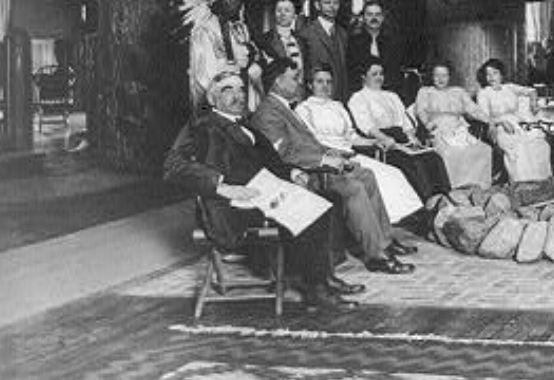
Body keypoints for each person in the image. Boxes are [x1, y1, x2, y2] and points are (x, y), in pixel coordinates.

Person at [163, 69, 360, 309]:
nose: (238, 95)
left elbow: (273, 164)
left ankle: (323, 276)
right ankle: (315, 290)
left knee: (330, 199)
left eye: (241, 89)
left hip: (265, 194)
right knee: (311, 211)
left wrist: (292, 172)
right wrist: (222, 187)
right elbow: (173, 165)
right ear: (213, 99)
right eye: (228, 90)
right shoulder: (202, 126)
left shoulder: (249, 127)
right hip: (232, 206)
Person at [250, 64, 415, 274]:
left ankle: (384, 241)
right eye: (293, 78)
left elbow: (310, 144)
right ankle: (376, 255)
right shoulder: (268, 113)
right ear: (278, 81)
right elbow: (281, 156)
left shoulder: (283, 107)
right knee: (353, 187)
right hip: (304, 174)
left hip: (317, 164)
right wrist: (325, 161)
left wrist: (339, 155)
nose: (298, 83)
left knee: (366, 174)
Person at [349, 60, 450, 202]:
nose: (379, 77)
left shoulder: (392, 96)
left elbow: (404, 121)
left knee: (433, 157)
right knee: (414, 163)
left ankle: (444, 199)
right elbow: (367, 126)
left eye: (381, 74)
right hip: (383, 141)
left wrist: (411, 136)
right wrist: (384, 138)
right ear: (363, 77)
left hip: (401, 137)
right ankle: (426, 202)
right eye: (374, 74)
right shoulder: (358, 98)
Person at [180, 0, 264, 112]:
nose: (237, 3)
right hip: (217, 99)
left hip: (241, 93)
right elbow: (204, 75)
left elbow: (252, 57)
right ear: (216, 0)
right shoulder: (204, 32)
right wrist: (236, 68)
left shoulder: (238, 30)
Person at [412, 63, 493, 190]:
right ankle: (455, 189)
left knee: (484, 149)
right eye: (437, 75)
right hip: (438, 130)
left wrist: (490, 121)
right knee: (450, 153)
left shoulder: (458, 91)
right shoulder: (425, 92)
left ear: (449, 77)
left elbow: (473, 109)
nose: (440, 79)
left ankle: (479, 187)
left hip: (459, 129)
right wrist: (427, 124)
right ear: (432, 77)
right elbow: (421, 111)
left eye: (444, 75)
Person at [475, 58, 554, 182]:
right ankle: (522, 182)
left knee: (538, 143)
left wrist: (533, 103)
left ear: (501, 74)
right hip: (498, 127)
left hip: (519, 125)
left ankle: (539, 181)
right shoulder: (484, 93)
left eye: (495, 73)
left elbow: (531, 91)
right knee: (517, 147)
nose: (491, 77)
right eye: (488, 74)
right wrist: (501, 122)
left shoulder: (509, 87)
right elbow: (484, 117)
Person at [346, 0, 407, 102]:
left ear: (382, 18)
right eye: (369, 14)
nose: (374, 18)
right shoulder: (353, 42)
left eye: (377, 14)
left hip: (389, 94)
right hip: (362, 96)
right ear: (364, 17)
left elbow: (397, 71)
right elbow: (352, 71)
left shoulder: (394, 42)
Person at [299, 0, 349, 103]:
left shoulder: (343, 34)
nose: (332, 7)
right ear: (317, 5)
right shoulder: (306, 33)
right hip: (317, 99)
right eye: (327, 3)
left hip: (340, 99)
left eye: (335, 3)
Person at [259, 0, 307, 83]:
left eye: (287, 10)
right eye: (279, 10)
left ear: (294, 15)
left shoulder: (302, 41)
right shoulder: (265, 40)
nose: (282, 14)